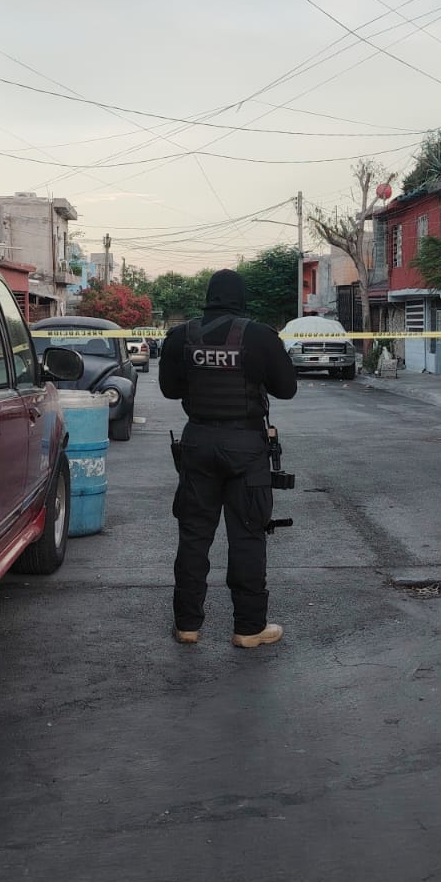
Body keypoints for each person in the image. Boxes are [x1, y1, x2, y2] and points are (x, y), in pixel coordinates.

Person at [160, 270, 298, 648]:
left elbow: (170, 391)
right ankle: (249, 628)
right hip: (245, 446)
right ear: (241, 299)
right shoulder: (259, 335)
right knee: (248, 537)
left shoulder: (180, 336)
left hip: (198, 443)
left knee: (193, 537)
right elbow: (287, 389)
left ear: (208, 297)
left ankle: (187, 625)